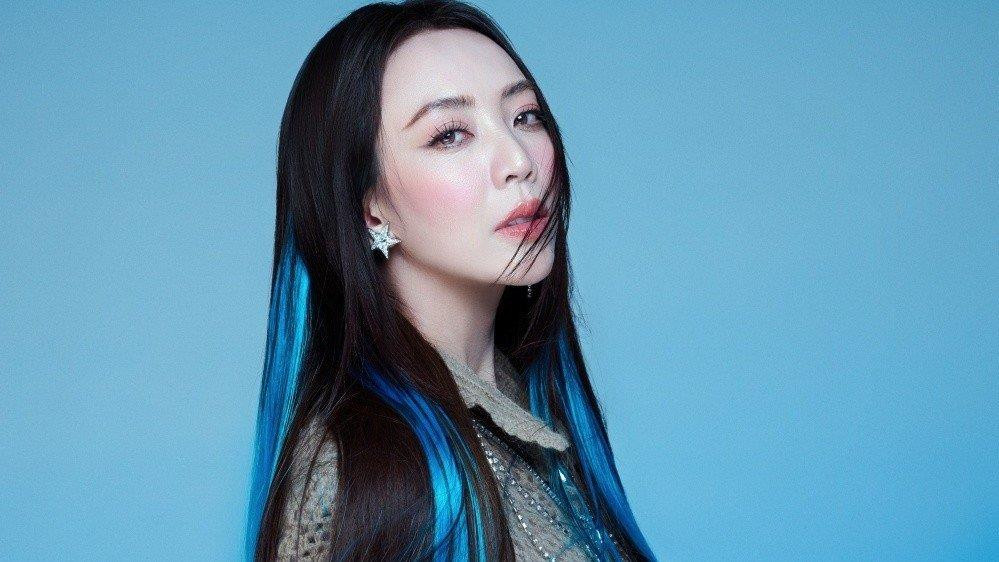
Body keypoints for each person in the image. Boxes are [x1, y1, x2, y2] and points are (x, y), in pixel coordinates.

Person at [245, 1, 657, 560]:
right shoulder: (353, 473)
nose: (518, 160)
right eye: (450, 135)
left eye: (525, 117)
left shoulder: (537, 413)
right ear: (370, 209)